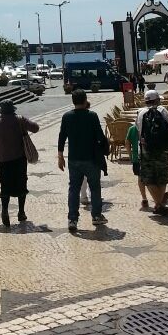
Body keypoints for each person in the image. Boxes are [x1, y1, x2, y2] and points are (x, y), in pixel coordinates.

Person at [57, 89, 109, 231]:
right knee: (95, 186)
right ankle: (96, 216)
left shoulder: (66, 116)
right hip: (91, 158)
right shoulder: (92, 116)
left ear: (73, 101)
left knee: (73, 188)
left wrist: (60, 156)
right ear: (85, 100)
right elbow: (99, 136)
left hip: (74, 158)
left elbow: (62, 137)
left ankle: (72, 219)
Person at [0, 100, 40, 228]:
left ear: (1, 111)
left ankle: (5, 210)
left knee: (5, 185)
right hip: (19, 159)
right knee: (21, 183)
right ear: (13, 109)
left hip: (2, 160)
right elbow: (36, 128)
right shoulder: (20, 120)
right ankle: (21, 212)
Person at [135, 89, 168, 217]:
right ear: (157, 100)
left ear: (145, 101)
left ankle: (159, 204)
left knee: (149, 177)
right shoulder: (163, 110)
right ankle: (159, 204)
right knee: (162, 176)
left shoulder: (140, 113)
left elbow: (138, 132)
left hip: (146, 149)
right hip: (163, 149)